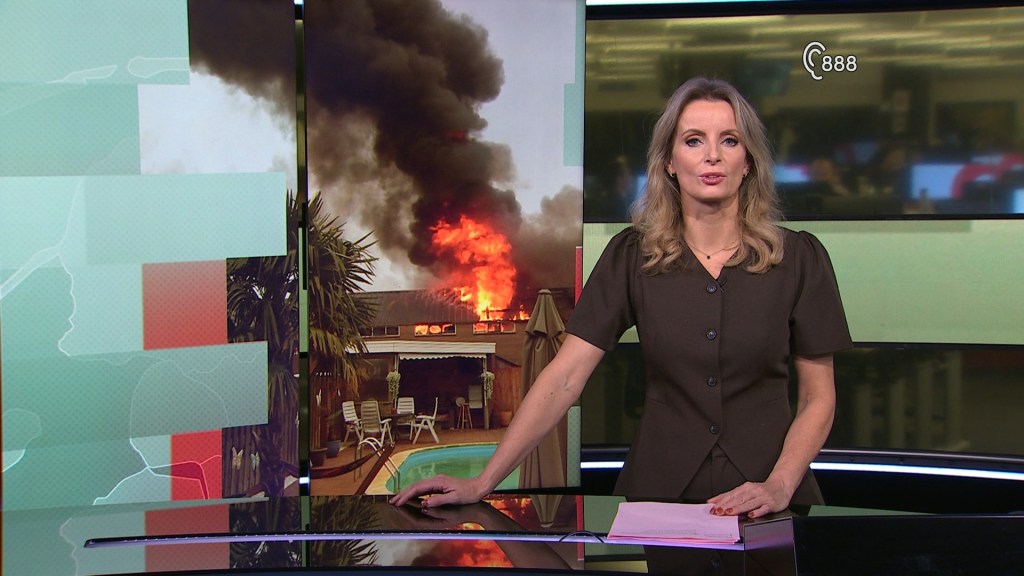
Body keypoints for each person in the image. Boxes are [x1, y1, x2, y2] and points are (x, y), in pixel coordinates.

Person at [392, 77, 852, 521]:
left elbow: (819, 397)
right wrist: (483, 481)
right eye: (693, 140)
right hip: (661, 499)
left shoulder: (799, 258)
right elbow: (564, 378)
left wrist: (779, 484)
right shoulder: (632, 257)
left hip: (771, 499)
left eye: (729, 140)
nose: (712, 155)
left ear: (747, 160)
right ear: (669, 161)